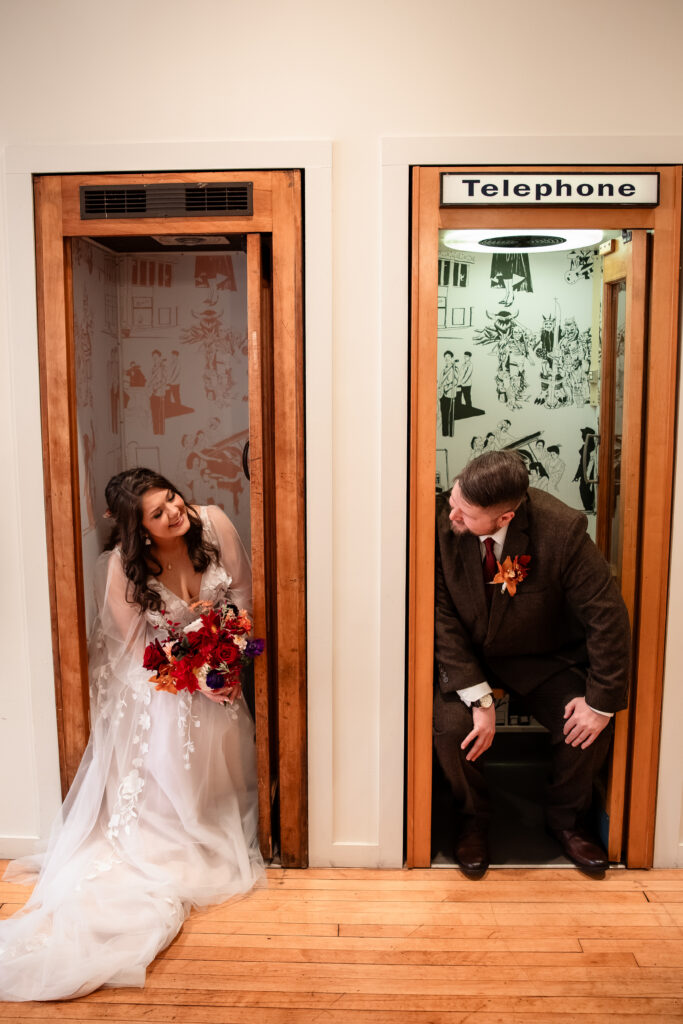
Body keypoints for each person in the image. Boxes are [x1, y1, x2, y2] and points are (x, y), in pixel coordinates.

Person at [0, 469, 263, 1000]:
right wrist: (194, 676)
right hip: (166, 690)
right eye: (158, 513)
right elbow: (135, 655)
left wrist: (228, 656)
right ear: (140, 530)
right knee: (172, 791)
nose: (175, 512)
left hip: (221, 683)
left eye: (173, 498)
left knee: (226, 779)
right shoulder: (123, 567)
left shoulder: (213, 523)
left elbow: (242, 597)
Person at [434, 451, 630, 880]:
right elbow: (441, 616)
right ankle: (472, 820)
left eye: (466, 513)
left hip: (539, 656)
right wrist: (479, 699)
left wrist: (599, 703)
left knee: (586, 729)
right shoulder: (442, 520)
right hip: (467, 657)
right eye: (455, 499)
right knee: (452, 729)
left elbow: (607, 616)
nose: (453, 514)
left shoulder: (561, 529)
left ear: (505, 518)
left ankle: (566, 820)